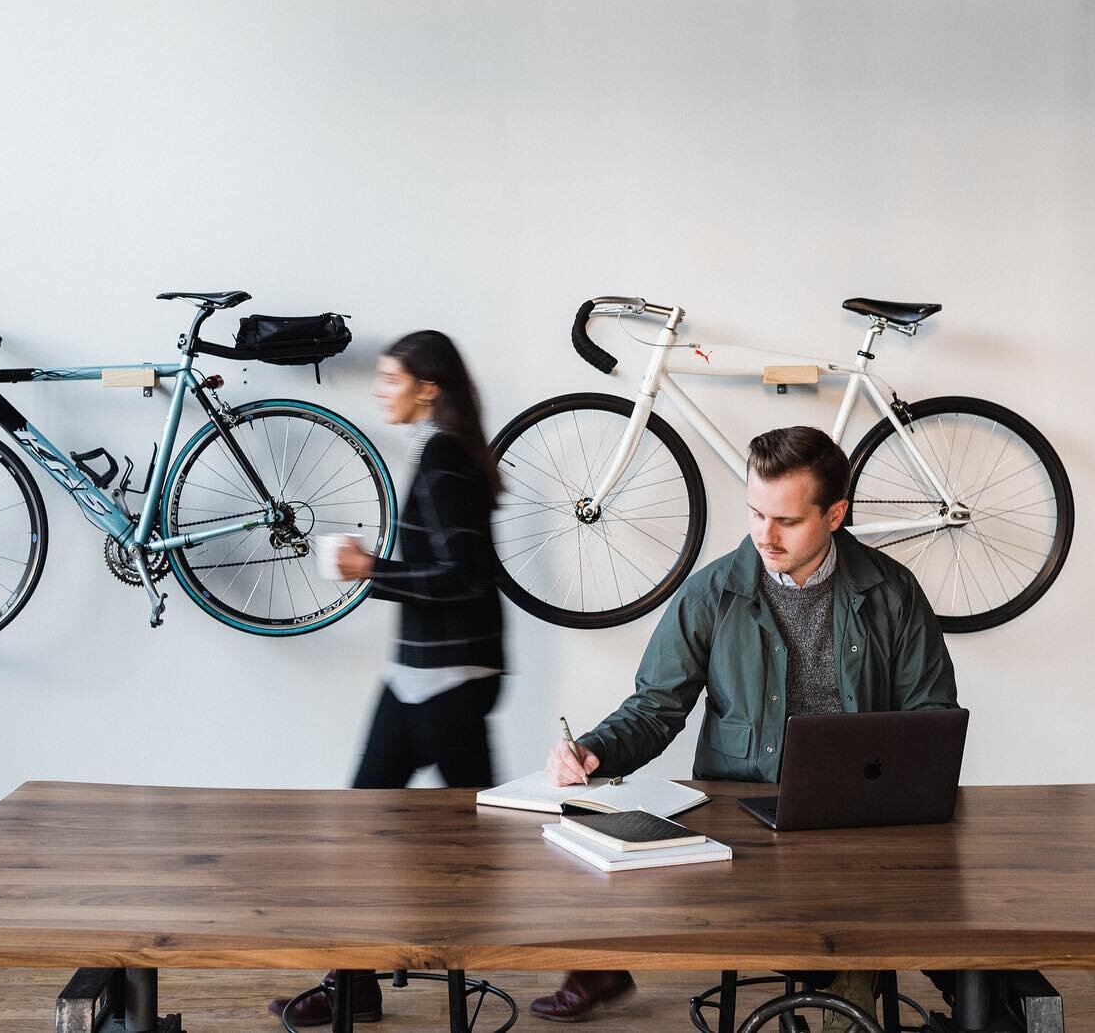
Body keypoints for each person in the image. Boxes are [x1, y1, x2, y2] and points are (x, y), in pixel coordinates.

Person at [532, 425, 958, 1029]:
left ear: (835, 514)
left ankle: (885, 994)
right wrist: (594, 748)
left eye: (786, 520)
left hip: (860, 818)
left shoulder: (893, 591)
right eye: (756, 513)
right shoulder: (711, 592)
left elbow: (933, 715)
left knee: (945, 914)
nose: (764, 535)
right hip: (744, 822)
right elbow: (656, 706)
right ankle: (846, 996)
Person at [269, 330, 505, 1026]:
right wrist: (376, 568)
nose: (379, 390)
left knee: (483, 847)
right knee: (384, 832)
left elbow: (465, 576)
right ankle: (355, 985)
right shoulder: (441, 454)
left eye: (389, 378)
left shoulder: (445, 460)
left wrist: (371, 569)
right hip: (422, 677)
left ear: (427, 387)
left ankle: (593, 966)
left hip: (448, 681)